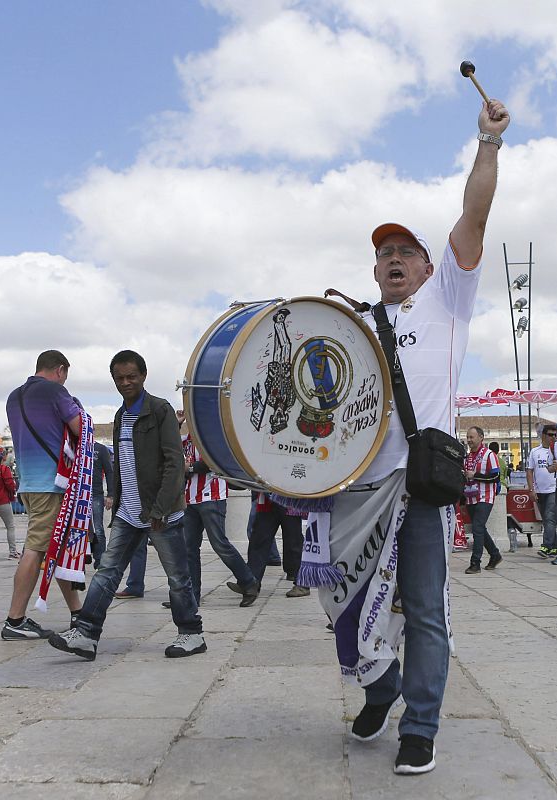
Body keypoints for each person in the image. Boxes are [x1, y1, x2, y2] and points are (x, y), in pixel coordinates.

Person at [319, 97, 509, 775]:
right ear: (374, 272)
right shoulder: (354, 327)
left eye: (405, 251)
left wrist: (487, 144)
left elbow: (474, 216)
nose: (393, 259)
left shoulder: (447, 300)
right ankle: (381, 689)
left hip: (422, 488)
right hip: (358, 489)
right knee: (340, 601)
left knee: (425, 609)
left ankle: (419, 726)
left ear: (431, 268)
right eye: (384, 254)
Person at [48, 350, 205, 660]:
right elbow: (122, 464)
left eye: (131, 376)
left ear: (143, 376)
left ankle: (191, 634)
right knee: (106, 572)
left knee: (177, 578)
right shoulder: (121, 415)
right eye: (119, 378)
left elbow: (174, 462)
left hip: (160, 512)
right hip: (127, 512)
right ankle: (86, 634)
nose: (126, 382)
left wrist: (161, 508)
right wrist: (117, 498)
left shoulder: (160, 410)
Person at [1, 350, 83, 640]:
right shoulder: (55, 392)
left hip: (28, 484)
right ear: (60, 370)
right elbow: (79, 427)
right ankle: (15, 620)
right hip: (51, 484)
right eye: (65, 377)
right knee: (35, 549)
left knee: (54, 549)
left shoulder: (13, 397)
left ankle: (77, 613)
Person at [180, 412, 260, 607]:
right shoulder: (187, 437)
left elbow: (212, 462)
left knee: (219, 544)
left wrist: (189, 468)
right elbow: (173, 452)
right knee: (189, 548)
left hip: (212, 497)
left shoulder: (212, 434)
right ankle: (191, 596)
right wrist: (177, 424)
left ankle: (249, 582)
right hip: (190, 497)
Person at [464, 426, 502, 574]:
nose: (469, 440)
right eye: (467, 437)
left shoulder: (489, 455)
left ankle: (475, 563)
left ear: (481, 437)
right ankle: (495, 555)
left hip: (485, 496)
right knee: (480, 528)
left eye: (471, 437)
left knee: (477, 527)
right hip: (470, 497)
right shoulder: (468, 457)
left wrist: (475, 475)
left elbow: (495, 477)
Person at [526, 424, 557, 559]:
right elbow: (529, 471)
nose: (553, 437)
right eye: (550, 435)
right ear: (543, 435)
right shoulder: (535, 451)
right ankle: (554, 547)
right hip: (539, 490)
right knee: (547, 520)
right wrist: (531, 489)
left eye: (555, 435)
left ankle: (546, 546)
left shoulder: (556, 450)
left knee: (549, 517)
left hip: (553, 489)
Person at [90, 441, 114, 569]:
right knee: (79, 529)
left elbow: (109, 471)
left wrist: (110, 495)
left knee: (98, 528)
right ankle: (81, 559)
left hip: (96, 494)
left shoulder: (101, 448)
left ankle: (100, 560)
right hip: (78, 495)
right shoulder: (75, 446)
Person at [0, 453, 20, 558]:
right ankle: (13, 551)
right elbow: (10, 484)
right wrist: (13, 489)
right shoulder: (4, 469)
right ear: (3, 460)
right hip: (2, 501)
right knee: (10, 526)